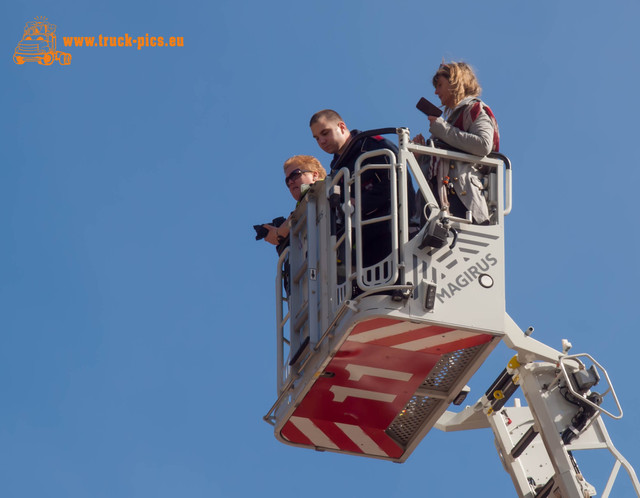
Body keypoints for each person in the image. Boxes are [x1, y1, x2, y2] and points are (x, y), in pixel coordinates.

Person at [309, 110, 410, 267]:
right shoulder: (336, 171)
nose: (321, 141)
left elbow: (398, 182)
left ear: (342, 127)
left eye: (325, 133)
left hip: (395, 233)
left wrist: (360, 202)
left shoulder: (374, 147)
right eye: (316, 138)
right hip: (364, 245)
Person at [414, 61, 500, 224]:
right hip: (441, 204)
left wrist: (443, 129)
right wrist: (420, 158)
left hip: (462, 201)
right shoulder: (449, 123)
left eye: (440, 85)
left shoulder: (474, 109)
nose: (436, 92)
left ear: (454, 82)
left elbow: (483, 145)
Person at [262, 155, 327, 246]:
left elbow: (300, 212)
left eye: (295, 175)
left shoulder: (328, 187)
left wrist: (278, 233)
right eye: (287, 181)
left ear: (315, 175)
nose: (290, 182)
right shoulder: (303, 204)